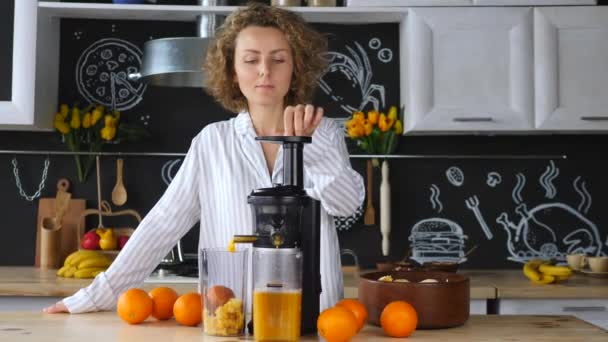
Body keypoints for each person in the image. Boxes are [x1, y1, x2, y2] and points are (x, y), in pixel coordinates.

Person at [44, 3, 365, 315]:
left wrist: (312, 149)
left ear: (296, 67)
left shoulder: (323, 134)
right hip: (232, 317)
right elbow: (163, 224)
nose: (265, 70)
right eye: (251, 60)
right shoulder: (212, 142)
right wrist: (98, 295)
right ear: (232, 69)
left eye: (278, 59)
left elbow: (348, 205)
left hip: (318, 320)